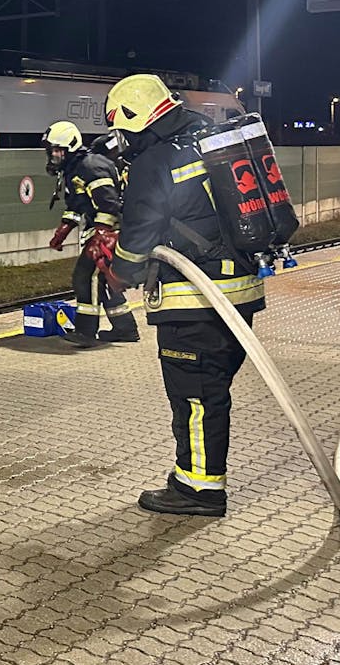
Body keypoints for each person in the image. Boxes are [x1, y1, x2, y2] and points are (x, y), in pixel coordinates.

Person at [104, 74, 265, 517]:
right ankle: (192, 473)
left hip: (195, 301)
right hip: (240, 292)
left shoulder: (156, 161)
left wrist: (118, 273)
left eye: (123, 130)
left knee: (195, 395)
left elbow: (137, 237)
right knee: (211, 389)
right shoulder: (208, 138)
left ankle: (200, 490)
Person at [41, 120, 140, 347]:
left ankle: (86, 332)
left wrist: (102, 235)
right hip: (104, 232)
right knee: (102, 281)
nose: (53, 155)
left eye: (57, 150)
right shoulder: (74, 168)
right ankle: (125, 329)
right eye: (51, 151)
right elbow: (78, 205)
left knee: (84, 278)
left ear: (71, 148)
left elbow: (108, 205)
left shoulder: (89, 168)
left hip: (111, 233)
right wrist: (63, 231)